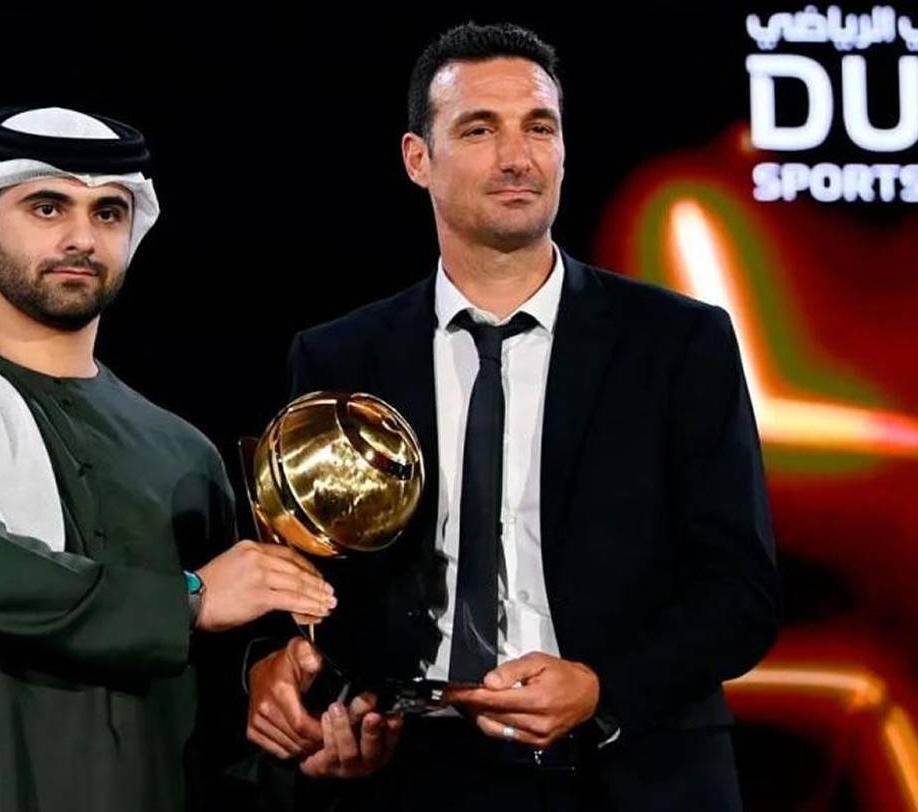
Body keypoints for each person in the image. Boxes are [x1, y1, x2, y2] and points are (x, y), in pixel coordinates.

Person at [244, 23, 780, 811]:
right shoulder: (339, 358)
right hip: (413, 776)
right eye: (479, 128)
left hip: (635, 772)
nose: (517, 156)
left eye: (540, 127)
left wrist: (601, 687)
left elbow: (741, 592)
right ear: (416, 159)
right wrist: (301, 684)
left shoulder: (678, 342)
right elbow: (304, 580)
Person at [0, 106, 336, 812]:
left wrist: (283, 695)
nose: (82, 238)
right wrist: (188, 599)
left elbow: (217, 697)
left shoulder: (181, 451)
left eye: (109, 214)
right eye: (48, 206)